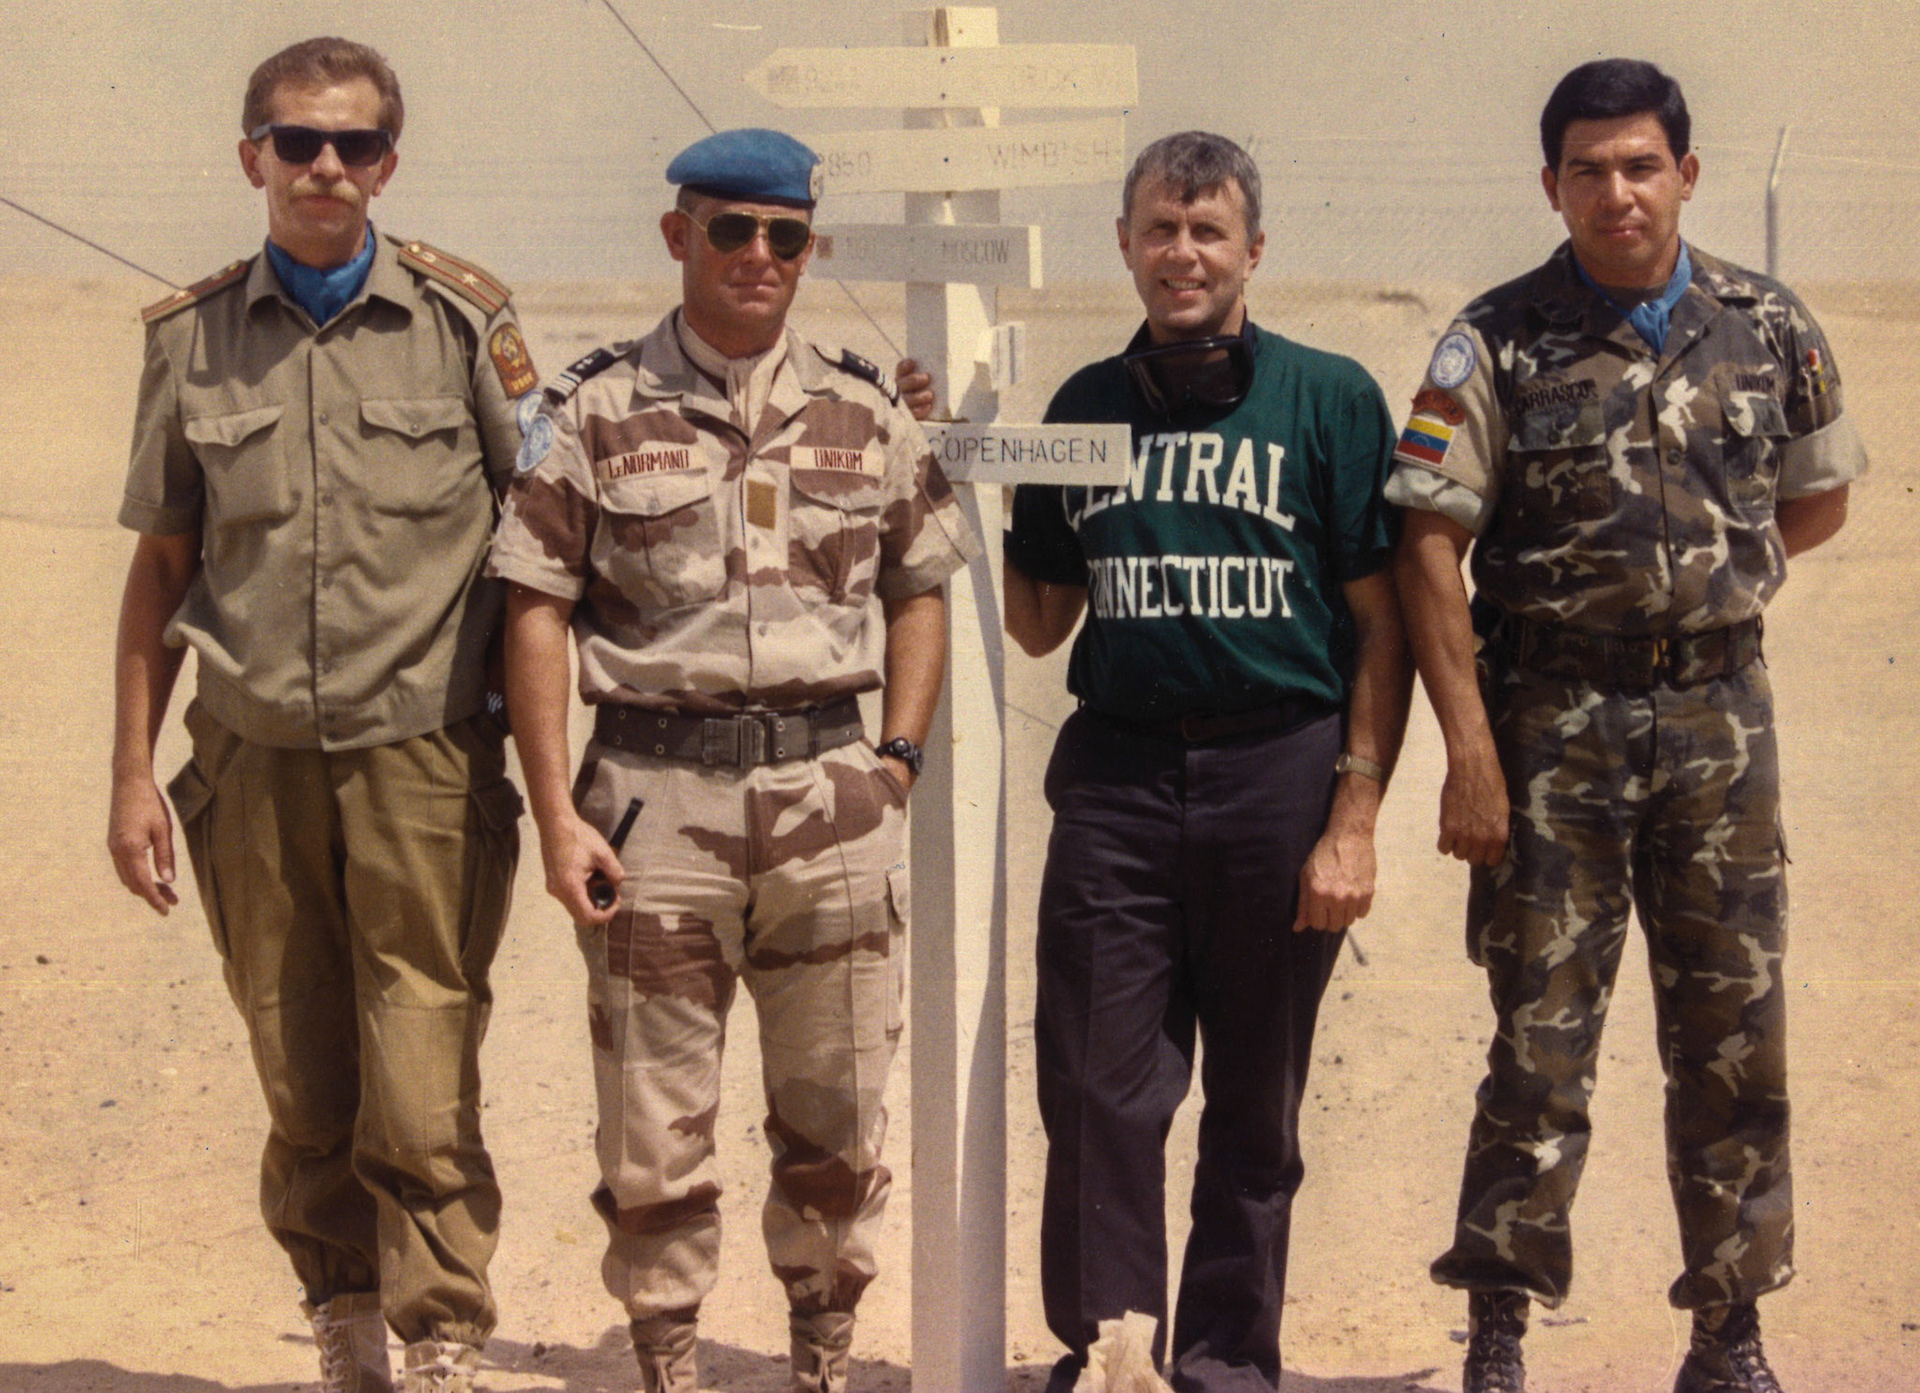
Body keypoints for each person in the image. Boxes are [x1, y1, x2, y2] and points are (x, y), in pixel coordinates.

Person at [1391, 59, 1867, 1393]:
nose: (1617, 192)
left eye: (1641, 165)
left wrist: (1705, 587)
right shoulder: (1493, 341)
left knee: (1734, 1033)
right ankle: (1498, 1324)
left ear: (1686, 175)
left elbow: (1818, 494)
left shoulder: (1767, 323)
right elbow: (1428, 543)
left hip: (1721, 724)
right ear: (1551, 185)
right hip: (1553, 727)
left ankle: (1729, 1332)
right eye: (1588, 169)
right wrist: (1471, 751)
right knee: (1538, 1040)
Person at [488, 127, 979, 1393]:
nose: (759, 255)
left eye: (786, 235)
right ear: (680, 235)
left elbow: (920, 588)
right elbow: (535, 607)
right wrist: (556, 816)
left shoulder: (866, 407)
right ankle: (669, 1363)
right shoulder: (596, 409)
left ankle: (822, 1360)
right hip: (654, 803)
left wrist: (898, 760)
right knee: (653, 1127)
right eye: (731, 229)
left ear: (808, 249)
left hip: (831, 798)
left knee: (840, 1115)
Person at [105, 36, 530, 1393]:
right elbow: (162, 566)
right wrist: (131, 775)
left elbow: (544, 543)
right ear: (255, 159)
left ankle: (443, 1332)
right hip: (254, 757)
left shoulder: (464, 323)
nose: (326, 167)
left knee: (422, 1064)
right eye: (299, 142)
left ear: (388, 165)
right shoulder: (192, 340)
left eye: (354, 145)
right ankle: (344, 1318)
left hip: (424, 755)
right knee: (298, 1064)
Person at [1002, 131, 1411, 1393]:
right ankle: (1112, 1354)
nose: (1182, 254)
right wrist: (959, 464)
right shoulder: (1082, 406)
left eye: (1207, 230)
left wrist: (1353, 817)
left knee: (1253, 1100)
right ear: (1125, 245)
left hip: (1278, 772)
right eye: (1159, 230)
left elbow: (1383, 626)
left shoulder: (1328, 398)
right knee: (1095, 1086)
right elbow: (1038, 618)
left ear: (1253, 249)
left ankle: (1228, 1363)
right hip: (1117, 782)